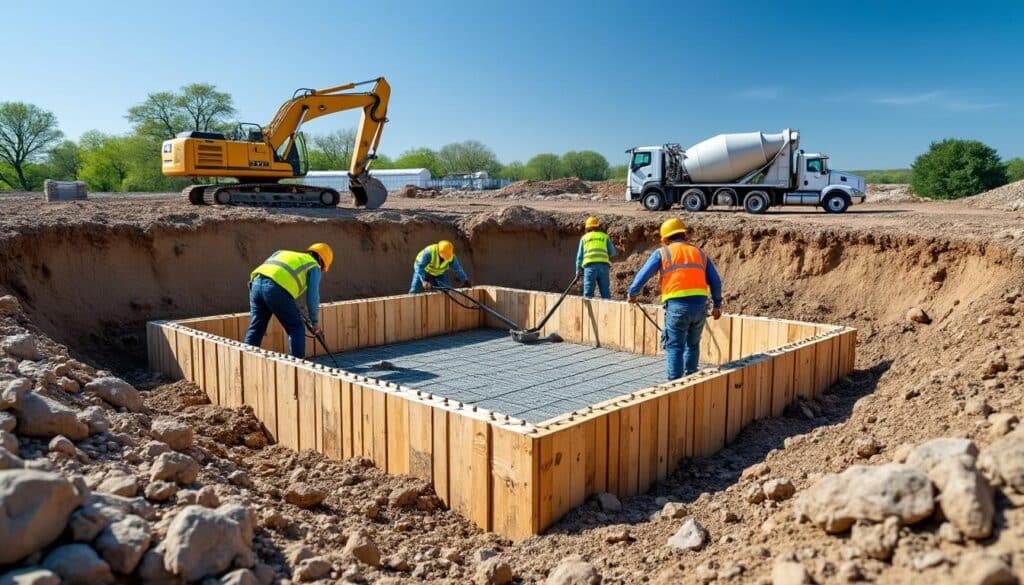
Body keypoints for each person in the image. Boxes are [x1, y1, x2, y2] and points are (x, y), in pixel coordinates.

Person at [627, 219, 722, 380]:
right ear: (684, 235)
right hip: (700, 307)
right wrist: (717, 305)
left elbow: (644, 274)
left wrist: (633, 293)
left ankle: (674, 384)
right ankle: (691, 380)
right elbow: (716, 282)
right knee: (692, 345)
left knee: (675, 347)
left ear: (665, 239)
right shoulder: (699, 253)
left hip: (677, 308)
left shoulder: (663, 253)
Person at [243, 243, 333, 358]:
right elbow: (313, 297)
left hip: (255, 285)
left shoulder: (282, 253)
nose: (321, 270)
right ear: (321, 260)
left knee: (256, 327)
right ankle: (297, 365)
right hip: (275, 289)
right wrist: (315, 323)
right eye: (323, 267)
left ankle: (245, 360)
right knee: (296, 327)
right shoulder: (314, 266)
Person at [576, 216, 617, 299]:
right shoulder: (604, 237)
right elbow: (612, 253)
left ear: (587, 227)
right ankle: (607, 306)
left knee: (588, 294)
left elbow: (580, 257)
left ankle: (587, 307)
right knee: (605, 292)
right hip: (604, 267)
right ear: (598, 226)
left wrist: (578, 270)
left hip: (590, 268)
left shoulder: (584, 238)